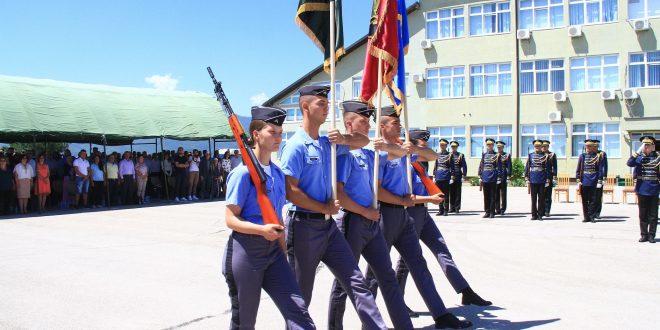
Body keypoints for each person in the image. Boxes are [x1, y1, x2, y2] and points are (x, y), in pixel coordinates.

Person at [279, 86, 387, 329]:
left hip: (328, 227)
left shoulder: (329, 143)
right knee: (301, 295)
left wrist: (345, 139)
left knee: (355, 280)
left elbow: (364, 140)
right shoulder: (296, 146)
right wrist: (323, 206)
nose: (327, 108)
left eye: (327, 104)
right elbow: (290, 190)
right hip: (304, 226)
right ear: (305, 107)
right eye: (321, 104)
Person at [365, 107, 472, 329]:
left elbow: (434, 156)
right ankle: (370, 322)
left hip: (403, 217)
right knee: (375, 273)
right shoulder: (377, 154)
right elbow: (377, 190)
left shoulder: (404, 150)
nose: (400, 127)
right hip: (384, 215)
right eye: (395, 124)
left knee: (419, 265)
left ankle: (440, 314)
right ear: (382, 126)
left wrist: (412, 147)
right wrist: (402, 201)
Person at [223, 105, 316, 330]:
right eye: (272, 132)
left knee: (299, 313)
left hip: (274, 253)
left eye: (280, 133)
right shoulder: (242, 174)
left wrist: (282, 251)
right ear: (256, 135)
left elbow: (278, 218)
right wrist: (261, 230)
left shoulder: (276, 173)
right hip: (246, 252)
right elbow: (230, 219)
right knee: (244, 322)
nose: (278, 138)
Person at [327, 101, 413, 330]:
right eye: (363, 121)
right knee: (346, 282)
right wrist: (366, 212)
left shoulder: (369, 153)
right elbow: (340, 195)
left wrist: (384, 145)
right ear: (348, 124)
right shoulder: (345, 155)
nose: (368, 126)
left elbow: (402, 151)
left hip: (371, 223)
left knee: (387, 277)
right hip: (353, 221)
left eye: (368, 121)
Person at [395, 129, 491, 317]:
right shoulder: (405, 164)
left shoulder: (421, 163)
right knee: (405, 262)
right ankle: (398, 301)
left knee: (442, 250)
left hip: (424, 213)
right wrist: (429, 199)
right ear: (413, 144)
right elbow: (404, 196)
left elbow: (433, 158)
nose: (427, 147)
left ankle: (465, 291)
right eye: (423, 144)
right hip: (410, 214)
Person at [627, 136, 659, 243]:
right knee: (643, 214)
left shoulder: (658, 158)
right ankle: (644, 235)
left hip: (654, 188)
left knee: (653, 215)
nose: (646, 147)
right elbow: (629, 163)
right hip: (642, 189)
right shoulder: (639, 158)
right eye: (644, 145)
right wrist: (638, 151)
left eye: (648, 145)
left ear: (653, 146)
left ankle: (651, 236)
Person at [576, 140, 605, 223]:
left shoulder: (598, 156)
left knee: (593, 200)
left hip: (594, 180)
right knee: (584, 200)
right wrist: (578, 179)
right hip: (584, 181)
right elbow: (578, 169)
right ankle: (586, 217)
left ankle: (591, 216)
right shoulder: (582, 156)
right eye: (587, 146)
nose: (588, 148)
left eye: (590, 146)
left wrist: (600, 180)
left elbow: (600, 170)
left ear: (593, 147)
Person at [525, 140, 552, 221]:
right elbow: (527, 167)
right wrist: (527, 177)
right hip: (533, 178)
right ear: (534, 147)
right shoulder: (531, 155)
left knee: (541, 199)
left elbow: (548, 168)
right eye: (536, 146)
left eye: (539, 146)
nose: (537, 148)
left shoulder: (546, 156)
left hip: (542, 178)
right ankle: (534, 214)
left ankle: (540, 214)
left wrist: (547, 179)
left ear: (541, 147)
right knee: (533, 199)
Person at [478, 138, 501, 218]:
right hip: (485, 177)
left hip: (493, 176)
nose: (489, 146)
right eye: (488, 144)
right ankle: (487, 211)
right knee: (486, 196)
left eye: (490, 144)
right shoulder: (484, 155)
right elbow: (481, 166)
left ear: (493, 145)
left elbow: (499, 167)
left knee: (492, 196)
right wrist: (480, 175)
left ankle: (492, 212)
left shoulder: (497, 155)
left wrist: (499, 177)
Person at [433, 138, 453, 216]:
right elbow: (436, 166)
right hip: (439, 176)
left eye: (443, 145)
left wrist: (452, 177)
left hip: (446, 176)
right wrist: (434, 175)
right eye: (441, 145)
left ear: (446, 146)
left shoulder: (449, 155)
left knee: (446, 194)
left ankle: (446, 210)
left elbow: (452, 167)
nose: (442, 146)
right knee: (439, 194)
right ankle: (440, 209)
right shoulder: (437, 154)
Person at [494, 141, 512, 215]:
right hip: (495, 175)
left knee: (503, 193)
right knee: (496, 193)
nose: (499, 148)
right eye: (498, 147)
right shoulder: (494, 155)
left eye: (500, 147)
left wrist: (508, 176)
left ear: (503, 147)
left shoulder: (507, 155)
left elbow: (509, 166)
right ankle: (497, 208)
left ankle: (503, 209)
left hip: (504, 175)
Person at [448, 141, 466, 213]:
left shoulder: (460, 155)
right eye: (452, 147)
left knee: (458, 192)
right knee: (451, 192)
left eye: (454, 147)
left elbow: (464, 166)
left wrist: (463, 175)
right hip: (450, 176)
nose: (453, 148)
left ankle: (457, 208)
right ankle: (451, 207)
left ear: (457, 147)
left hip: (458, 174)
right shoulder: (448, 155)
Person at [542, 140, 558, 217]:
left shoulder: (552, 155)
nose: (543, 148)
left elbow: (554, 166)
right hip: (540, 177)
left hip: (549, 177)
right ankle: (541, 210)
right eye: (542, 146)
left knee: (548, 195)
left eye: (545, 146)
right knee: (541, 195)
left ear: (548, 147)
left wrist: (554, 176)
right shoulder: (539, 155)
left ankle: (547, 211)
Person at [593, 140, 608, 219]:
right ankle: (591, 212)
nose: (594, 148)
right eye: (593, 146)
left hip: (599, 178)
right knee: (591, 197)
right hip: (590, 179)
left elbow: (604, 166)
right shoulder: (589, 154)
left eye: (596, 146)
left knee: (598, 197)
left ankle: (597, 213)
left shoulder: (601, 154)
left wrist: (604, 178)